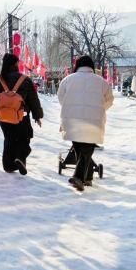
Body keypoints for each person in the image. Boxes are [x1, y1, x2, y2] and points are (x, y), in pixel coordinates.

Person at [57, 55, 114, 192]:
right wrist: (99, 109)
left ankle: (84, 177)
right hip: (93, 121)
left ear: (78, 66)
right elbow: (109, 100)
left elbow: (61, 98)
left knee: (79, 149)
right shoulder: (101, 82)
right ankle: (82, 177)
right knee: (86, 150)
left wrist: (71, 108)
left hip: (72, 120)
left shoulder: (67, 80)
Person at [0, 53, 44, 175]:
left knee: (9, 139)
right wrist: (37, 115)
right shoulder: (25, 80)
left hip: (4, 117)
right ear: (16, 63)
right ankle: (21, 158)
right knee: (24, 137)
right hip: (21, 116)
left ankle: (8, 166)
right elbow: (33, 100)